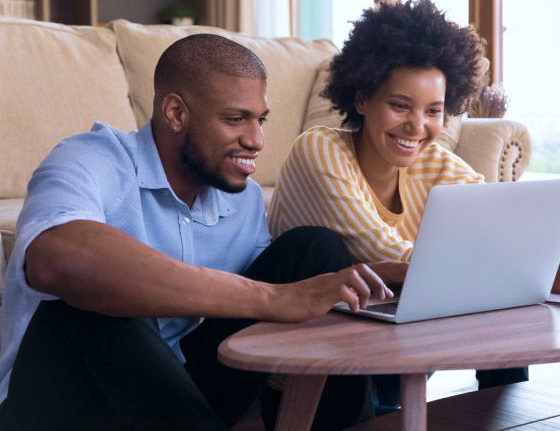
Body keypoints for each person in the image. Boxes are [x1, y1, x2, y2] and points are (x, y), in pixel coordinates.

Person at [0, 34, 406, 430]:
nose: (256, 140)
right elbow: (57, 258)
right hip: (65, 402)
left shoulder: (238, 194)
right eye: (235, 119)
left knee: (315, 249)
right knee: (92, 296)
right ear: (176, 113)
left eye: (260, 120)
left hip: (177, 394)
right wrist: (277, 297)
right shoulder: (90, 159)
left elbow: (277, 300)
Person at [268, 0, 560, 394]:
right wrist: (537, 271)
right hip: (314, 365)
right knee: (493, 279)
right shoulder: (318, 151)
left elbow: (505, 220)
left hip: (389, 336)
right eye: (400, 106)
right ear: (362, 98)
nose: (416, 127)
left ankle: (506, 412)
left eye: (433, 111)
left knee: (500, 286)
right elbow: (389, 254)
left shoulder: (432, 159)